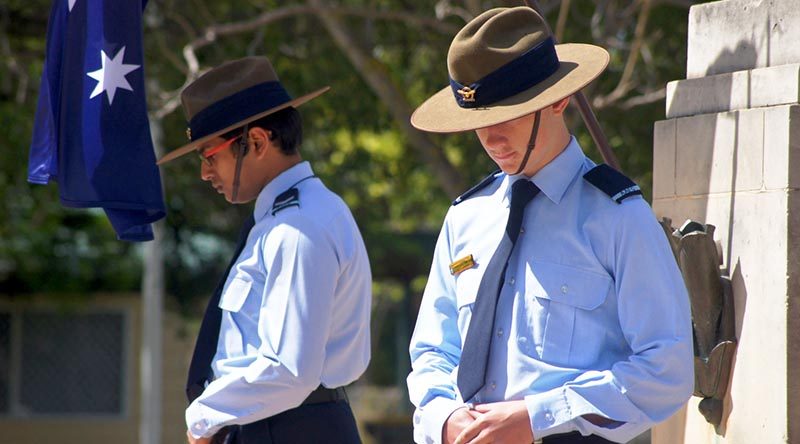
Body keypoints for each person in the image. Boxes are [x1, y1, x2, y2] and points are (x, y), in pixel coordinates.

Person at [406, 7, 693, 444]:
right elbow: (433, 351)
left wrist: (537, 416)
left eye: (507, 116)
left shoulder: (617, 216)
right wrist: (444, 419)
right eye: (478, 122)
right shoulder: (465, 218)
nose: (491, 139)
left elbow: (667, 368)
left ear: (558, 100)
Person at [157, 56, 371, 444]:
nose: (205, 173)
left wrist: (203, 416)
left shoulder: (298, 226)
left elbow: (290, 369)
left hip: (291, 427)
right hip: (279, 424)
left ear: (255, 142)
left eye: (210, 155)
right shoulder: (284, 218)